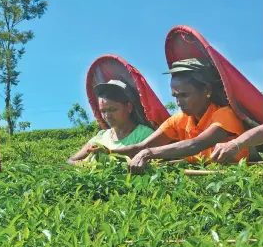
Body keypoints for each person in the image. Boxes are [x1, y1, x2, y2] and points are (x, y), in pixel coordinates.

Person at [103, 58, 249, 173]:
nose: (178, 102)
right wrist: (109, 152)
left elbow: (195, 145)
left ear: (206, 90)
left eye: (184, 95)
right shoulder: (179, 120)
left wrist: (148, 153)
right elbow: (143, 146)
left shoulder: (224, 115)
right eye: (175, 96)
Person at [67, 80, 155, 164]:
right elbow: (70, 161)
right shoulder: (101, 137)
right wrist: (86, 166)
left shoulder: (144, 134)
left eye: (113, 110)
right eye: (103, 111)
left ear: (129, 107)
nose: (107, 116)